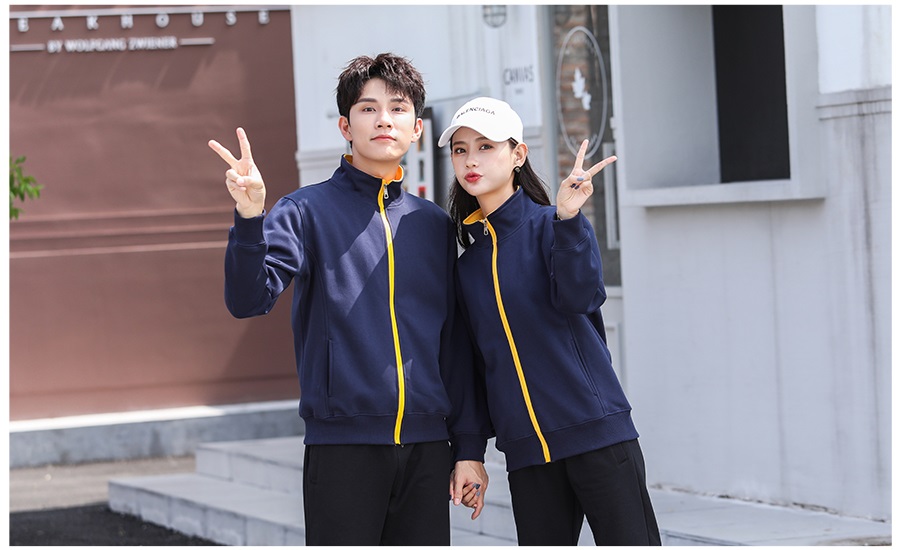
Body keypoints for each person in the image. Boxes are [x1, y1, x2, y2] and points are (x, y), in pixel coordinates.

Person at [208, 53, 491, 546]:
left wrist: (469, 448)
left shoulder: (433, 225)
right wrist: (250, 217)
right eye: (368, 108)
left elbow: (454, 345)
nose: (384, 119)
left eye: (398, 108)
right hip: (343, 448)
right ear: (345, 126)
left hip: (427, 449)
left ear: (417, 128)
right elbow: (248, 299)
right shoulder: (304, 211)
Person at [440, 97, 661, 546]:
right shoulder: (467, 267)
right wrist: (468, 452)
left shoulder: (554, 226)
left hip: (597, 436)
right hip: (528, 456)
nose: (471, 160)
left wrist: (568, 219)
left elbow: (582, 297)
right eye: (461, 150)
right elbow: (472, 369)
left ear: (518, 155)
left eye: (485, 146)